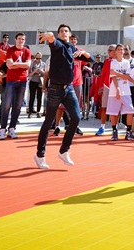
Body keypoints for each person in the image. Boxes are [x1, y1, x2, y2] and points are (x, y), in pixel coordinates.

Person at [35, 25, 91, 169]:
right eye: (61, 31)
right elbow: (52, 40)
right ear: (58, 34)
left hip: (69, 88)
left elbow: (90, 59)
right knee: (49, 122)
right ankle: (40, 155)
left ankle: (64, 151)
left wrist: (83, 53)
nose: (63, 33)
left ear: (70, 34)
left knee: (76, 118)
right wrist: (49, 35)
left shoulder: (72, 48)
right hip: (55, 89)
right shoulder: (57, 45)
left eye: (66, 31)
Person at [0, 33, 31, 140]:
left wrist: (15, 64)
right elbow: (9, 65)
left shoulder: (27, 51)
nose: (21, 41)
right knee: (7, 105)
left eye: (23, 39)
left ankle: (12, 128)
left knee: (18, 106)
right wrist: (21, 65)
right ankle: (2, 129)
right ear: (15, 39)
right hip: (11, 81)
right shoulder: (10, 50)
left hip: (22, 81)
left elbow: (28, 65)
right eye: (19, 39)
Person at [107, 43, 134, 141]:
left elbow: (126, 76)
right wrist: (117, 88)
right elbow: (113, 77)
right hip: (114, 90)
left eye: (122, 49)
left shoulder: (126, 62)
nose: (120, 51)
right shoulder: (113, 62)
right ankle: (114, 131)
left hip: (126, 90)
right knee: (113, 112)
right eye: (118, 49)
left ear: (124, 51)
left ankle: (129, 132)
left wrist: (116, 73)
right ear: (116, 51)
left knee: (130, 110)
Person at [27, 52, 46, 118]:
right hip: (33, 81)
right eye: (37, 58)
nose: (38, 60)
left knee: (39, 97)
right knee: (32, 97)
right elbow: (29, 74)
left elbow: (45, 74)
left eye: (40, 58)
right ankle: (30, 111)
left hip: (40, 82)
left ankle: (38, 111)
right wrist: (34, 71)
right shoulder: (32, 64)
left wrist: (41, 71)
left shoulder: (43, 64)